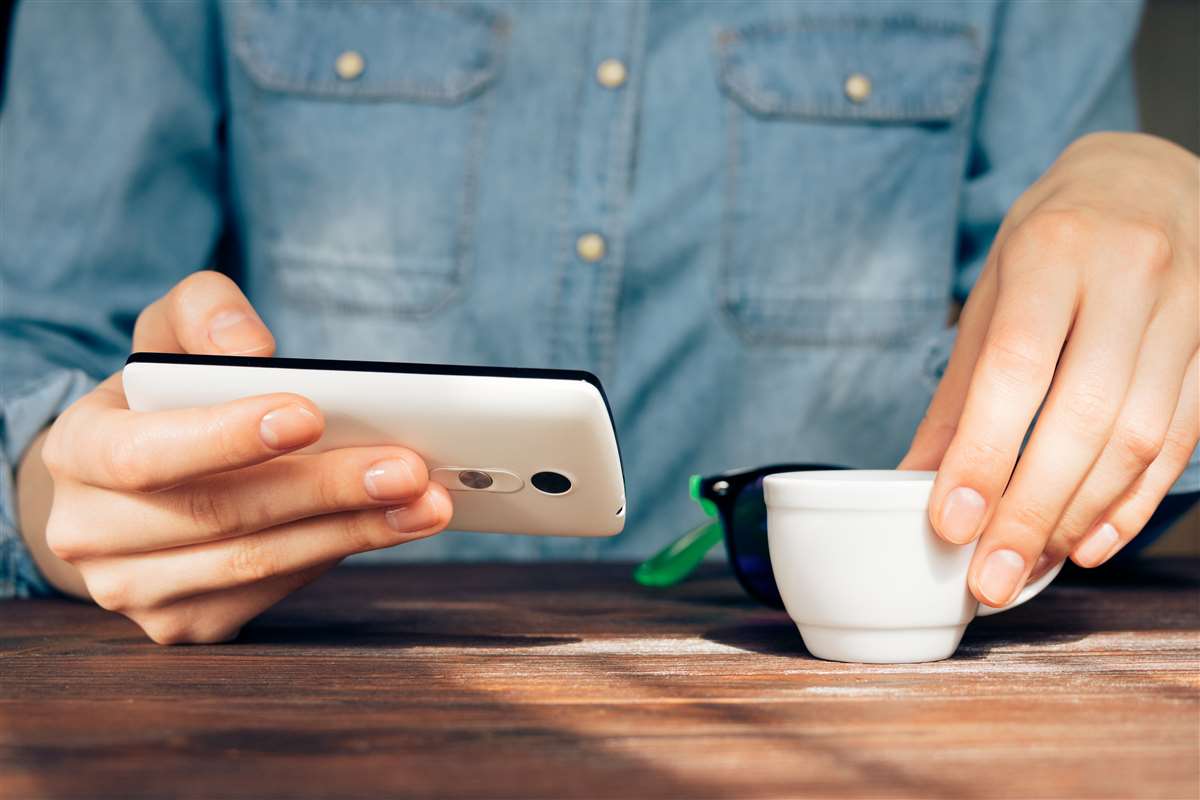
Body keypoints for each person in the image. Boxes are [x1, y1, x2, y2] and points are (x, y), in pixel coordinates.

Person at [2, 0, 1196, 644]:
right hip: (293, 722)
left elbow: (1099, 421)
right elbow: (26, 342)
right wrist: (57, 501)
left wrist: (1155, 208)